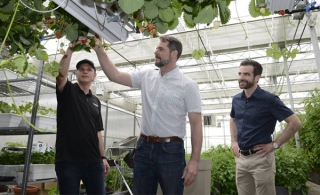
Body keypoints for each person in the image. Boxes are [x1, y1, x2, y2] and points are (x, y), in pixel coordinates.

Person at [91, 35, 203, 195]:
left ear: (174, 54)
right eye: (157, 48)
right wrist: (99, 49)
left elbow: (196, 125)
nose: (155, 52)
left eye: (161, 49)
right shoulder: (146, 76)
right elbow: (114, 75)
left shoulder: (188, 85)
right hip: (143, 147)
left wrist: (194, 161)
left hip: (171, 151)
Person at [230, 59, 302, 195]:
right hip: (241, 158)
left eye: (246, 74)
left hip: (261, 158)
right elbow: (232, 118)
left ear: (257, 78)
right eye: (239, 74)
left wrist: (275, 145)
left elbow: (295, 123)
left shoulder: (269, 100)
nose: (241, 78)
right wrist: (234, 141)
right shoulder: (236, 100)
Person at [55, 41, 110, 195]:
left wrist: (103, 157)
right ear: (76, 74)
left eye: (89, 69)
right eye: (81, 69)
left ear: (94, 75)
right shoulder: (67, 91)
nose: (85, 72)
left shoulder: (96, 101)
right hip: (68, 161)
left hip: (93, 161)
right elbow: (60, 75)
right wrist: (71, 49)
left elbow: (98, 131)